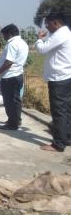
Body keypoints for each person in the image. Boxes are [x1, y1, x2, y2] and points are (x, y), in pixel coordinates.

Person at [35, 12, 71, 152]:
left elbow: (43, 49)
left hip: (59, 78)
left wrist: (39, 39)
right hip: (65, 76)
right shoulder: (65, 33)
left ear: (56, 22)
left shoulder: (60, 34)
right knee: (67, 110)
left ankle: (58, 144)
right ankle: (66, 137)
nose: (46, 27)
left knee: (59, 111)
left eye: (48, 23)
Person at [0, 24, 29, 130]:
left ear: (9, 34)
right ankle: (16, 120)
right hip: (18, 74)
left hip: (9, 76)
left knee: (9, 101)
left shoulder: (12, 44)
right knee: (16, 100)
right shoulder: (23, 43)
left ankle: (12, 123)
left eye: (4, 35)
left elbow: (9, 61)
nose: (4, 38)